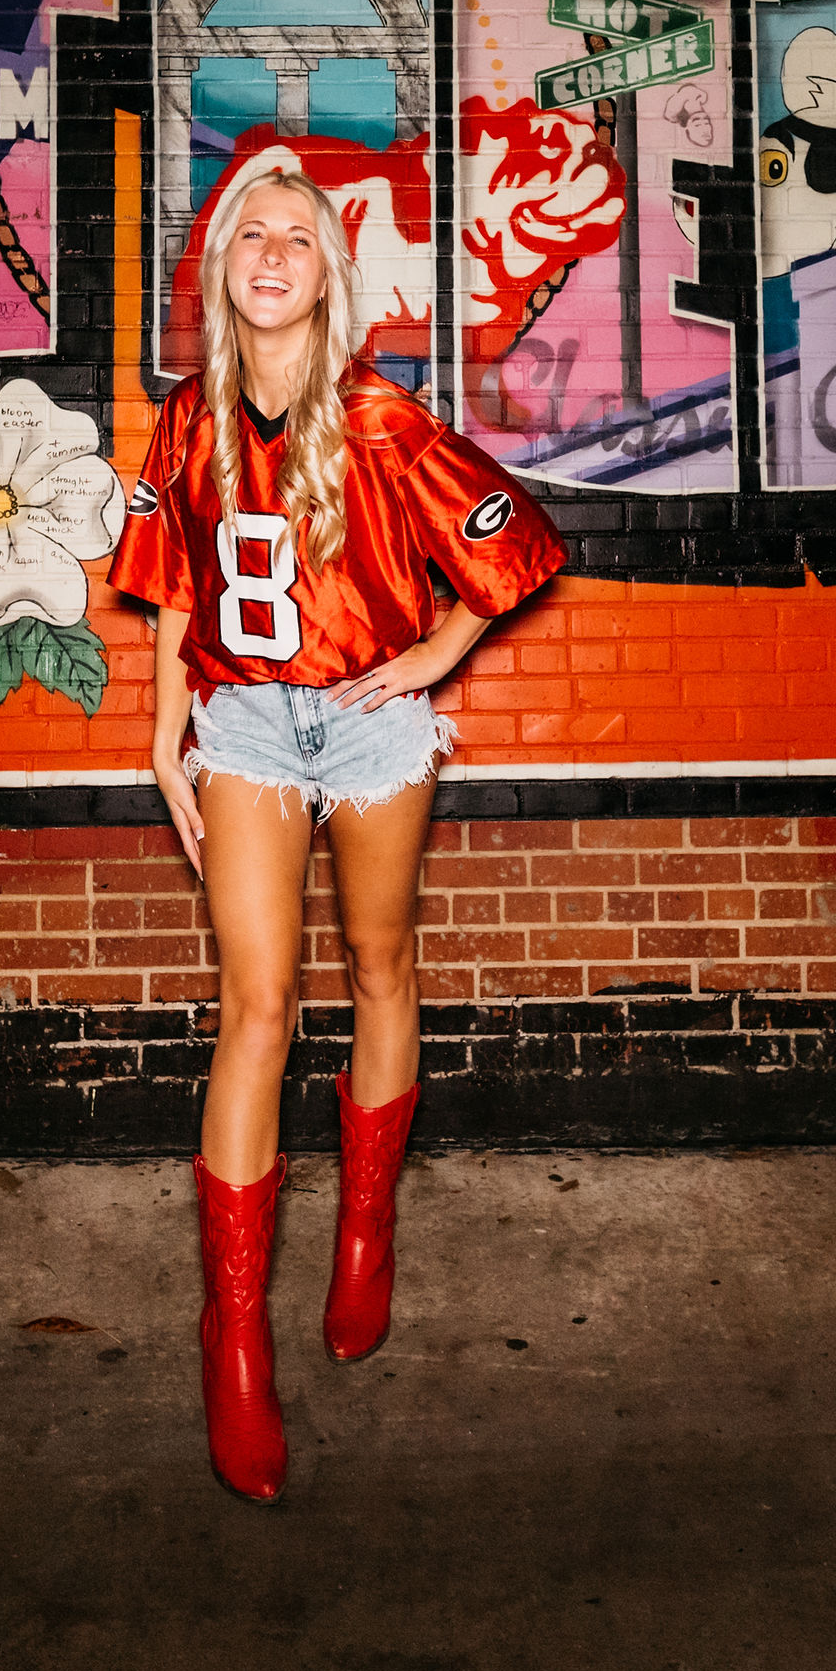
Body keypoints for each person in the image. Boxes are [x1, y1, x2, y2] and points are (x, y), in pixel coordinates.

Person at [108, 154, 564, 1503]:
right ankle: (234, 1333)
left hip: (367, 722)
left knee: (379, 968)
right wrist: (159, 726)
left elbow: (512, 540)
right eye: (249, 233)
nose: (269, 252)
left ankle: (366, 1220)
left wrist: (436, 655)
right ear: (222, 269)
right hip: (245, 721)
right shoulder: (188, 417)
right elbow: (177, 588)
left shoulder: (375, 413)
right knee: (258, 1004)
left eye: (295, 237)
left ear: (326, 272)